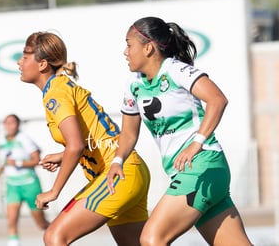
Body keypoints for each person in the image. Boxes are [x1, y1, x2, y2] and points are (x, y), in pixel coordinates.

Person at [107, 16, 253, 246]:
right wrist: (117, 160)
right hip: (193, 173)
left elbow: (217, 100)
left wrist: (197, 143)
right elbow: (128, 134)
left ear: (148, 48)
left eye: (129, 44)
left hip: (202, 165)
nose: (125, 52)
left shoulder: (175, 71)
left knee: (152, 238)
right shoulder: (133, 84)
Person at [17, 31, 150, 246]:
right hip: (130, 170)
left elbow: (75, 146)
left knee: (54, 236)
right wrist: (63, 155)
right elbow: (92, 138)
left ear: (42, 64)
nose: (19, 62)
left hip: (116, 174)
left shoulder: (56, 93)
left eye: (24, 56)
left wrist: (54, 191)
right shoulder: (60, 87)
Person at [0, 114, 50, 246]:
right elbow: (6, 160)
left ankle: (59, 236)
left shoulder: (24, 139)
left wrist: (18, 163)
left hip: (30, 184)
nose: (10, 126)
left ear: (18, 124)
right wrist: (0, 171)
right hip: (12, 186)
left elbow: (37, 160)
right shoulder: (2, 142)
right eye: (7, 123)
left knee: (41, 223)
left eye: (13, 122)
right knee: (11, 221)